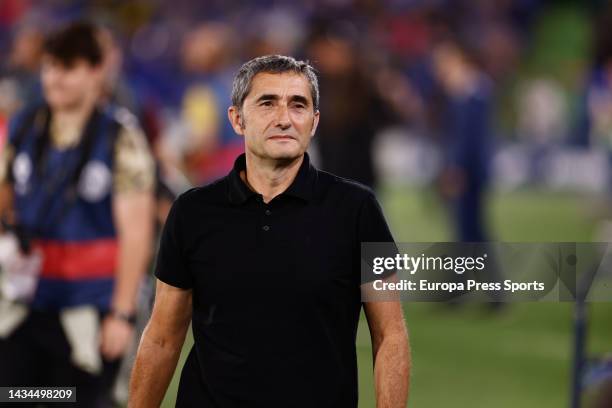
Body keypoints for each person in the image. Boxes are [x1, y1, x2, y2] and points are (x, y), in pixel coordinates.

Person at [129, 55, 411, 407]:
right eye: (267, 103)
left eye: (298, 105)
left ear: (314, 121)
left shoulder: (358, 208)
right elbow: (162, 338)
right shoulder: (192, 212)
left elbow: (390, 335)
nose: (284, 119)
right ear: (237, 119)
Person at [0, 21, 155, 407]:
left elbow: (136, 232)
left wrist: (121, 313)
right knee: (14, 397)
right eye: (50, 66)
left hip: (88, 306)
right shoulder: (24, 124)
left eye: (67, 67)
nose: (54, 78)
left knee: (71, 400)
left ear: (95, 70)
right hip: (25, 302)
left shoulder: (120, 136)